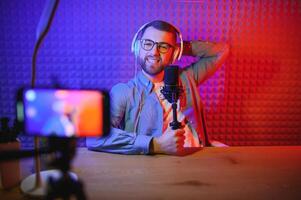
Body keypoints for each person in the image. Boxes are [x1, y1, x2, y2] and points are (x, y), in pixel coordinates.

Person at [86, 20, 229, 155]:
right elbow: (94, 137)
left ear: (174, 53)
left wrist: (180, 47)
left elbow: (221, 51)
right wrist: (154, 144)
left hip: (198, 158)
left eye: (163, 46)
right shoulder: (124, 92)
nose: (154, 52)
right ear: (137, 48)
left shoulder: (186, 78)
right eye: (148, 44)